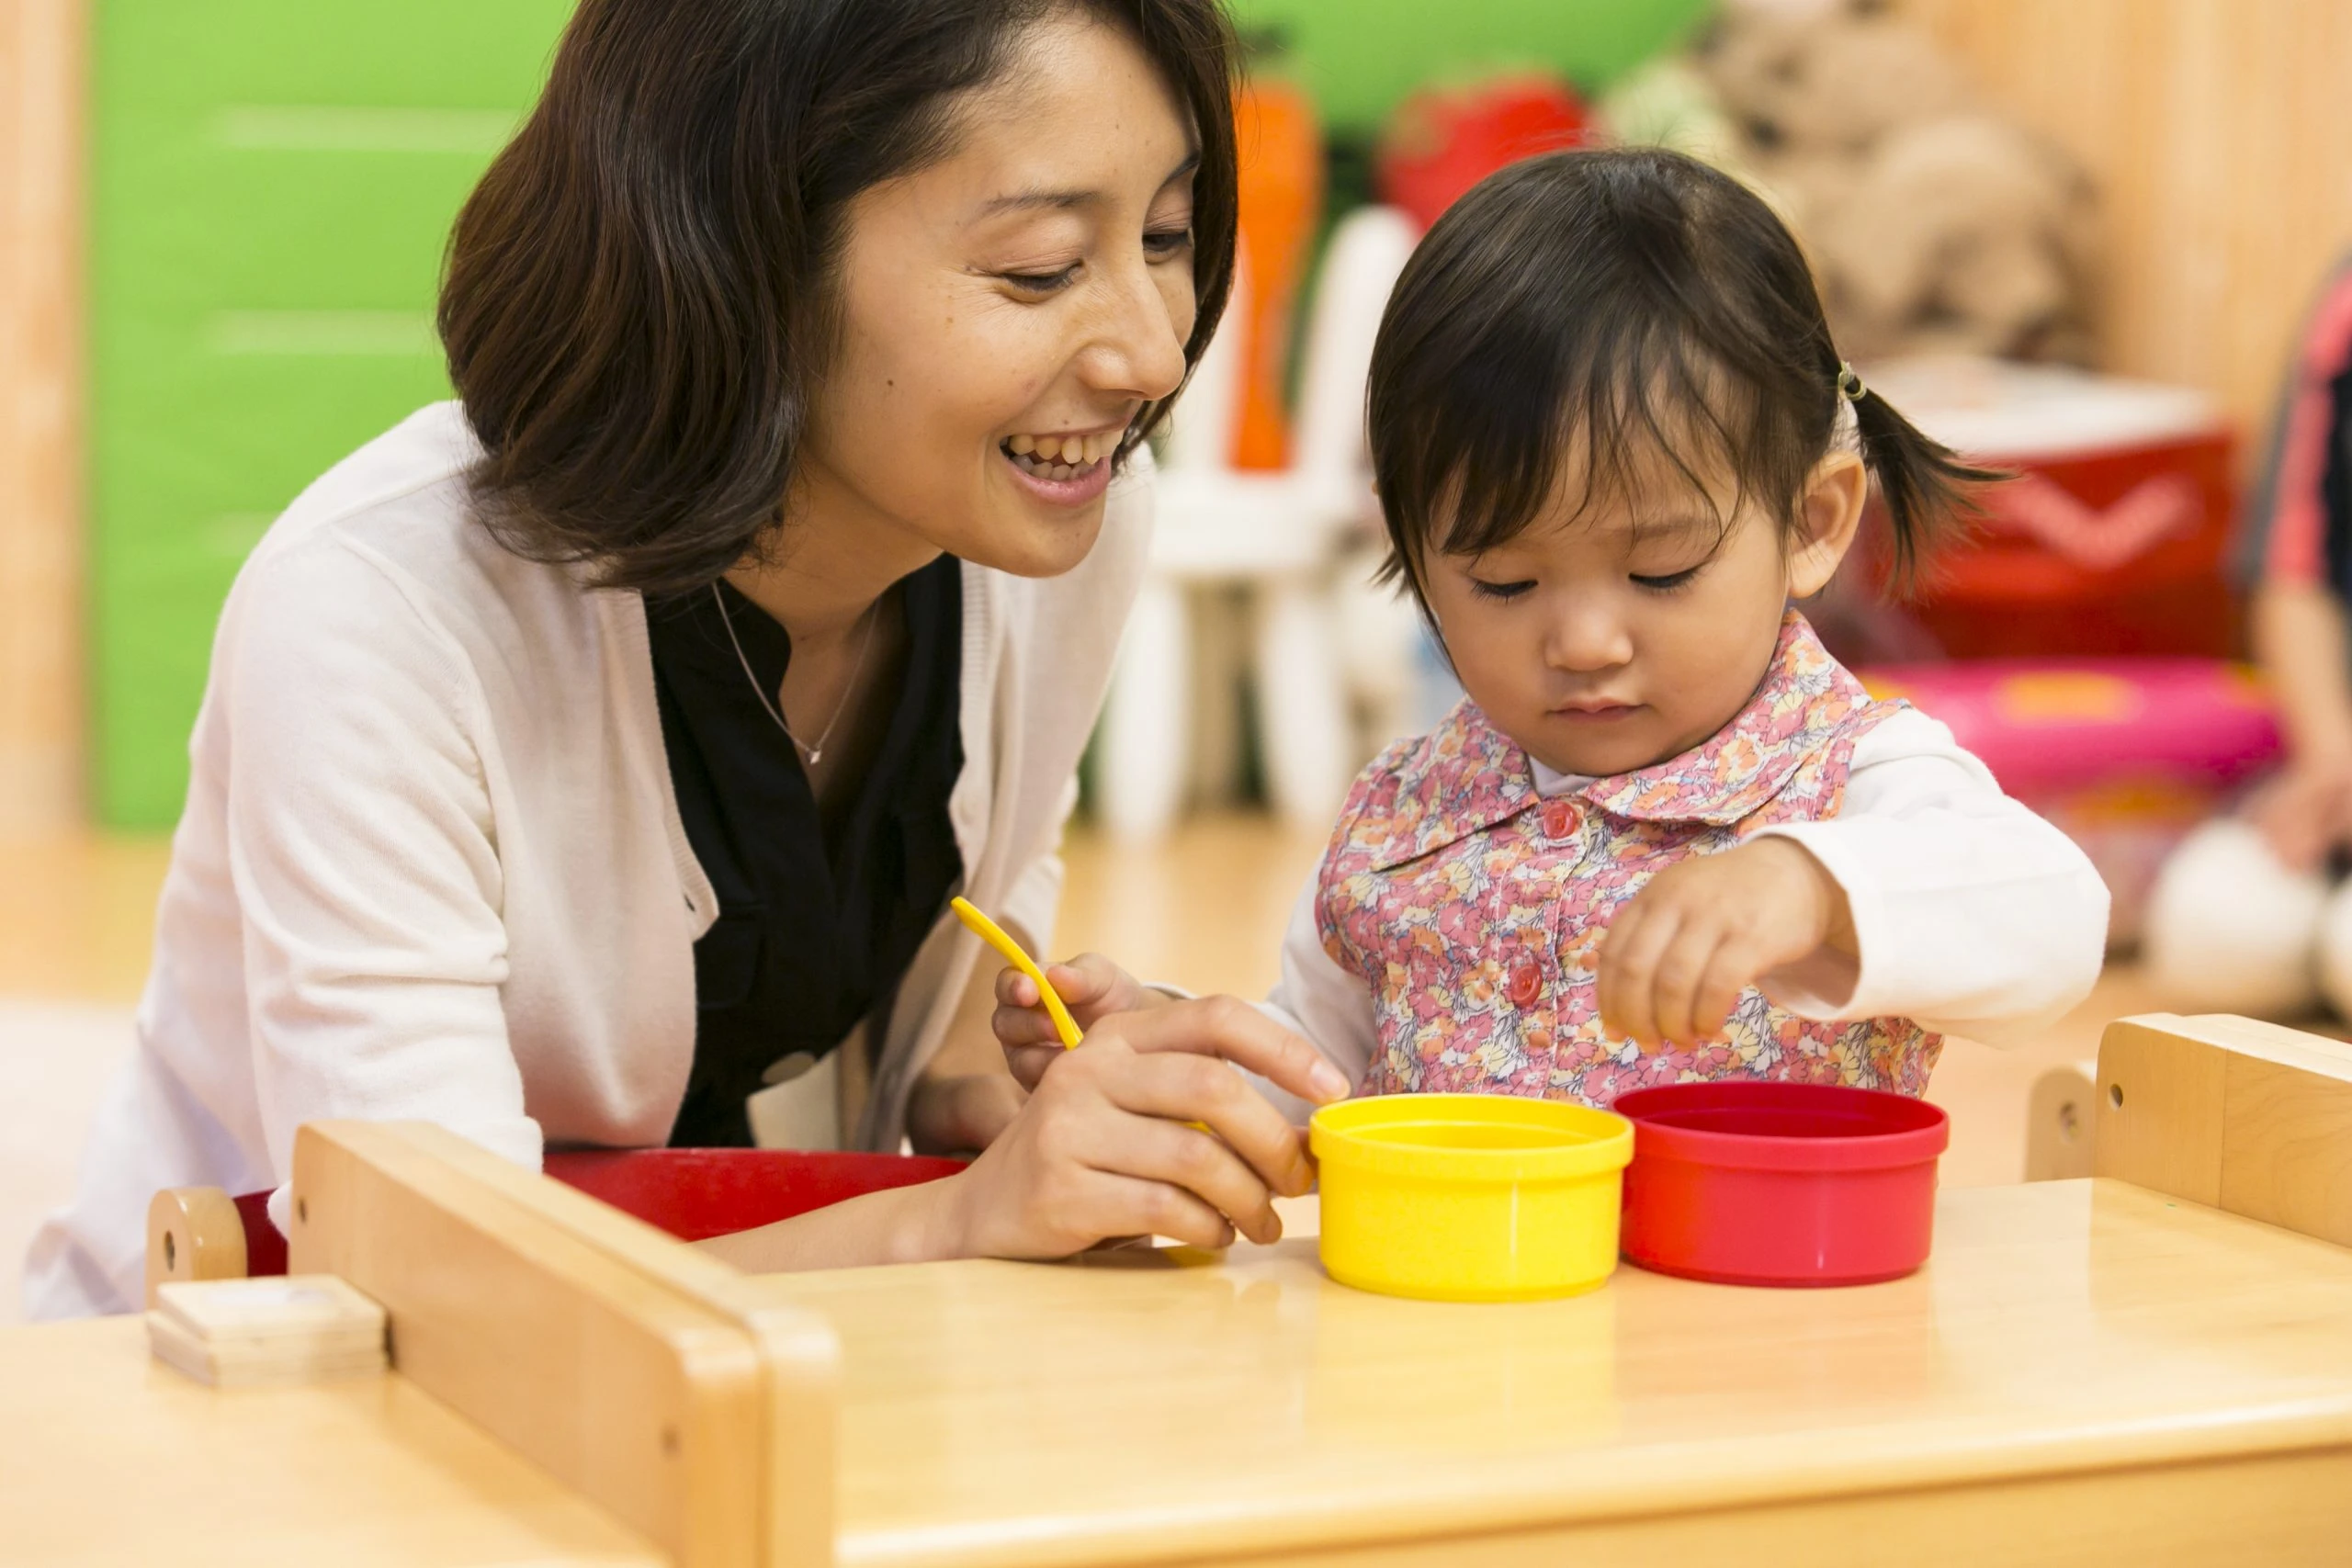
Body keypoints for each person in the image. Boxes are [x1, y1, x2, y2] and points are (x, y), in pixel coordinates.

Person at [27, 0, 1351, 1321]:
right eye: (1041, 268)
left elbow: (959, 950)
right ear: (744, 257)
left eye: (1168, 238)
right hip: (230, 1409)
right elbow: (428, 1292)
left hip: (724, 1398)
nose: (1154, 349)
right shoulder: (377, 612)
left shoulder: (1064, 530)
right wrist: (953, 1217)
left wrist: (1021, 1082)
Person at [995, 149, 2108, 1107]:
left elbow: (2054, 921)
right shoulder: (1408, 818)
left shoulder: (1850, 779)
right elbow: (1321, 1079)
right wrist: (1172, 1053)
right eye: (1504, 582)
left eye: (1660, 570)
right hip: (1461, 1335)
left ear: (1810, 523)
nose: (1582, 641)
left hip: (1766, 1332)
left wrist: (1809, 885)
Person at [2143, 255, 2352, 1018]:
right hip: (2336, 769)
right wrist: (2333, 754)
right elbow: (2296, 569)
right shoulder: (2347, 293)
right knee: (2217, 937)